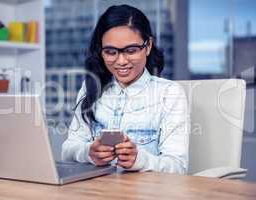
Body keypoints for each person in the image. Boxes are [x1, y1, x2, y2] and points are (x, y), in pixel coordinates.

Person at [61, 4, 190, 173]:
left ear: (148, 46)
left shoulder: (169, 93)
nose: (121, 61)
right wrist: (88, 152)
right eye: (110, 52)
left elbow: (178, 167)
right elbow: (67, 150)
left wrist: (140, 160)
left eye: (131, 50)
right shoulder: (91, 88)